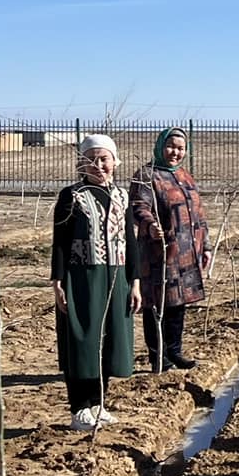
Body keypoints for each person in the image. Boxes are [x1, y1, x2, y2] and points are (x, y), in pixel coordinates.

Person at [51, 135, 144, 429]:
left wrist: (136, 281)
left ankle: (99, 403)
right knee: (83, 340)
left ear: (115, 162)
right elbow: (60, 242)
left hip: (116, 277)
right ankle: (79, 408)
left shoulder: (121, 196)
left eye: (104, 159)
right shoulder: (71, 195)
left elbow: (131, 241)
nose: (99, 165)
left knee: (109, 340)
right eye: (91, 159)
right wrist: (57, 281)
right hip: (82, 277)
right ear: (81, 163)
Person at [131, 127, 211, 370]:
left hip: (187, 252)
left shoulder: (185, 176)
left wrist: (205, 245)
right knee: (156, 302)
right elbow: (137, 207)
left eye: (180, 148)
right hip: (160, 252)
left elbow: (198, 213)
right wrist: (150, 225)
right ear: (160, 146)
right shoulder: (146, 175)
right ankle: (158, 356)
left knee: (178, 302)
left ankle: (174, 351)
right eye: (171, 146)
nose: (175, 152)